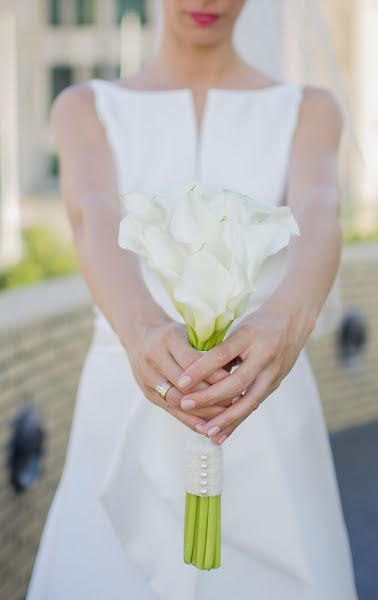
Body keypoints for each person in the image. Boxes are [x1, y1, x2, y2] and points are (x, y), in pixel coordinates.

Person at [26, 1, 359, 599]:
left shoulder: (308, 110)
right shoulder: (85, 109)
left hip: (263, 396)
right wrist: (142, 331)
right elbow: (93, 216)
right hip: (124, 389)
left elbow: (321, 211)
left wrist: (286, 320)